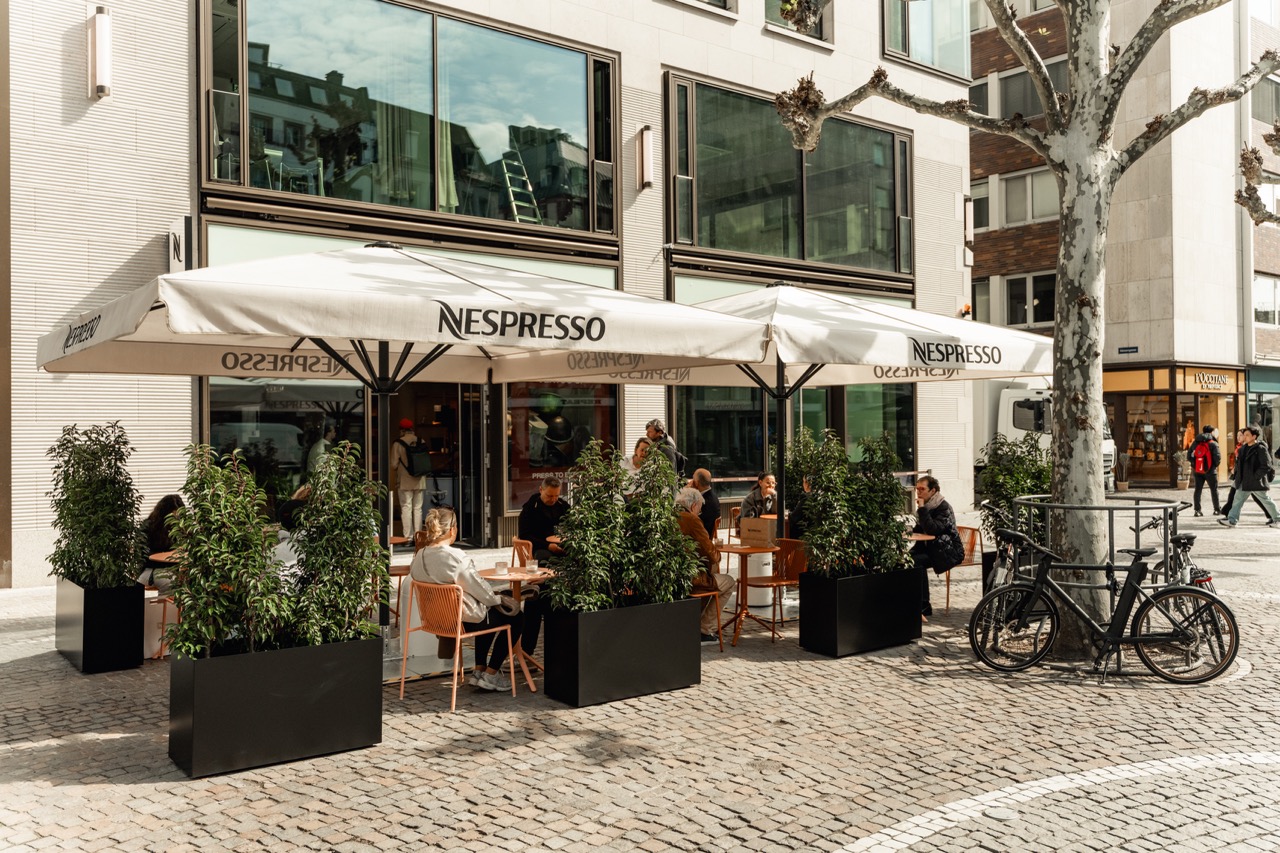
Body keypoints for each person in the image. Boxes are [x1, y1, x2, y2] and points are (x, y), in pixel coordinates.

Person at [410, 507, 523, 692]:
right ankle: (491, 674)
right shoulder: (456, 557)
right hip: (461, 622)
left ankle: (479, 670)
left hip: (436, 622)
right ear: (452, 530)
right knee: (516, 616)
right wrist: (498, 598)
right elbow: (482, 592)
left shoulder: (418, 557)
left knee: (487, 612)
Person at [675, 487, 736, 643]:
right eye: (699, 510)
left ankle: (696, 622)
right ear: (694, 505)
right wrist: (718, 555)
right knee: (729, 582)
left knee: (714, 574)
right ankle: (704, 628)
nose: (699, 513)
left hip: (673, 575)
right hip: (692, 579)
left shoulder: (670, 515)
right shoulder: (692, 519)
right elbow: (710, 551)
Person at [911, 476, 962, 619]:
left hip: (947, 551)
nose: (918, 492)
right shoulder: (927, 507)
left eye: (922, 489)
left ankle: (924, 605)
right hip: (931, 549)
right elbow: (920, 530)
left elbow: (933, 529)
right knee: (904, 561)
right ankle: (910, 602)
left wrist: (922, 509)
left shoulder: (943, 507)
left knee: (916, 563)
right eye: (917, 489)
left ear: (933, 491)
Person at [1219, 426, 1280, 527]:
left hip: (1256, 482)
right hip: (1244, 481)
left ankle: (1278, 519)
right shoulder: (1243, 448)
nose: (1245, 437)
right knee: (1237, 500)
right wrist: (1237, 474)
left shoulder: (1260, 448)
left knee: (1266, 500)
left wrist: (1256, 476)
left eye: (1247, 435)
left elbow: (1266, 465)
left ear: (1254, 436)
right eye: (1244, 435)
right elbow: (1240, 464)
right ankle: (1232, 520)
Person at [137, 494, 184, 592]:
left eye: (179, 516)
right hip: (151, 569)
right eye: (173, 516)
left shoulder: (179, 528)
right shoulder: (148, 526)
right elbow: (142, 555)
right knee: (171, 582)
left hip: (173, 570)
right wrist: (168, 555)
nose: (176, 519)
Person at [518, 476, 570, 561]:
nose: (553, 499)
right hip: (539, 546)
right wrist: (547, 546)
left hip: (560, 544)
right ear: (541, 490)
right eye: (549, 496)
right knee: (545, 558)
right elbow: (524, 535)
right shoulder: (530, 508)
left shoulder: (562, 505)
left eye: (556, 496)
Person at [392, 418, 426, 538]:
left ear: (401, 430)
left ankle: (408, 537)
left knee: (406, 507)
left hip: (404, 481)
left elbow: (394, 464)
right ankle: (418, 536)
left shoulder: (398, 443)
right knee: (418, 508)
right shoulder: (421, 441)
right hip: (420, 480)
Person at [1189, 425, 1222, 517]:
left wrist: (1195, 465)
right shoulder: (1213, 443)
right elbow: (1218, 458)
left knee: (1198, 490)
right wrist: (1213, 466)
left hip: (1198, 470)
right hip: (1210, 471)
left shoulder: (1196, 442)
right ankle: (1217, 509)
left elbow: (1189, 455)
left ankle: (1197, 510)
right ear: (1211, 432)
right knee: (1214, 490)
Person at [689, 468, 721, 540]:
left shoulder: (704, 502)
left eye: (693, 480)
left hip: (700, 539)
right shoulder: (713, 496)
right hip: (705, 536)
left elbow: (694, 522)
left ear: (696, 483)